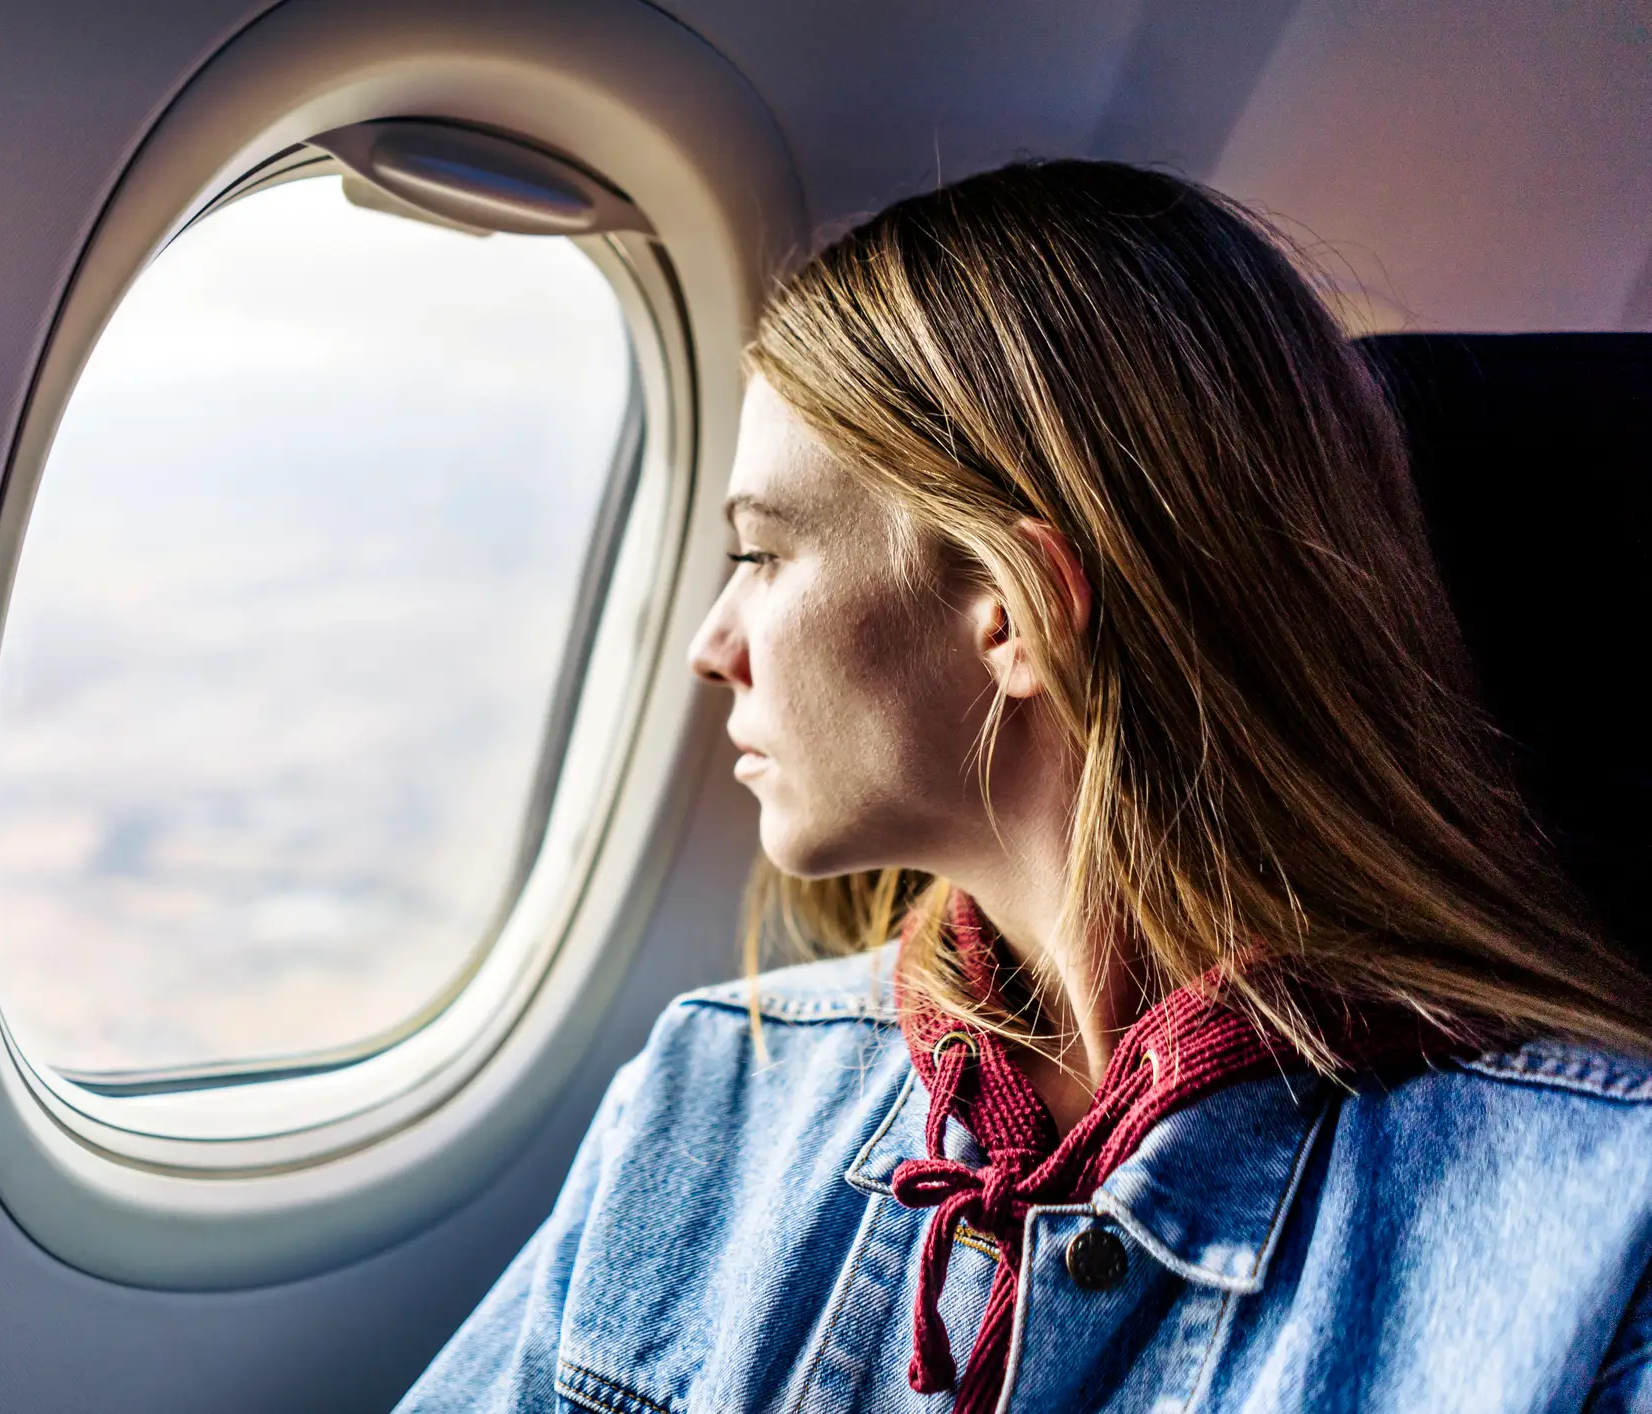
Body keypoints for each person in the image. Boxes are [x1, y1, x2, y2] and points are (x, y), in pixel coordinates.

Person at [393, 159, 1652, 1413]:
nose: (711, 645)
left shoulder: (1604, 1223)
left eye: (764, 552)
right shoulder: (711, 1092)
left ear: (1021, 607)